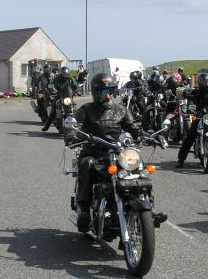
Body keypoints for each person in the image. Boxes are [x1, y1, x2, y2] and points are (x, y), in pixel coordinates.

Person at [64, 72, 167, 232]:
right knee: (87, 164)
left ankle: (148, 208)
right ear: (96, 93)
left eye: (111, 91)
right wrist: (71, 134)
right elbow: (74, 126)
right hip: (95, 152)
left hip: (119, 153)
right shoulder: (87, 109)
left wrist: (153, 137)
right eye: (105, 92)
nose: (109, 96)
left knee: (139, 169)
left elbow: (134, 129)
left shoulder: (121, 110)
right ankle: (84, 210)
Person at [42, 66, 78, 132]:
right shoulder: (57, 79)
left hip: (68, 97)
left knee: (74, 107)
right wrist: (53, 90)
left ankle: (77, 125)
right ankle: (47, 126)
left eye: (66, 74)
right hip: (59, 96)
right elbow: (53, 85)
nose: (65, 75)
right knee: (53, 110)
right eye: (63, 74)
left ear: (68, 74)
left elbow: (76, 86)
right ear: (61, 74)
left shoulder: (71, 79)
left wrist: (76, 91)